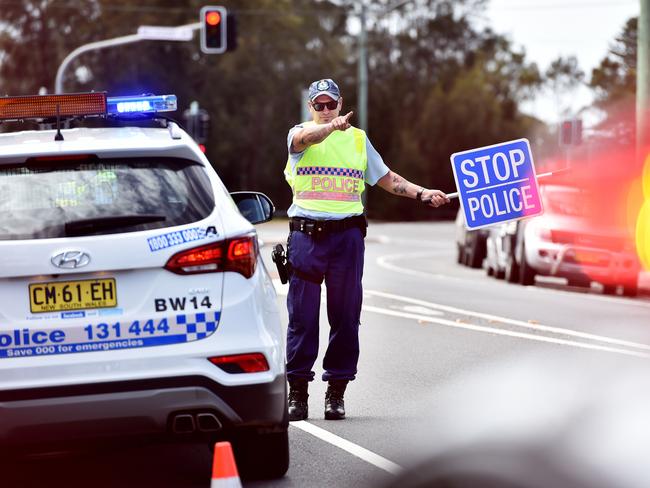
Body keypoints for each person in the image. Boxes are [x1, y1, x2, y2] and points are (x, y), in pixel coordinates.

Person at [283, 78, 450, 421]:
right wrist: (329, 128)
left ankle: (336, 392)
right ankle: (298, 392)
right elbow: (307, 139)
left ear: (341, 103)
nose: (326, 110)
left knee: (346, 317)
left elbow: (387, 178)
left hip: (347, 239)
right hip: (306, 238)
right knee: (302, 318)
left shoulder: (358, 140)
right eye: (319, 105)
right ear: (310, 106)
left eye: (332, 104)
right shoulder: (298, 134)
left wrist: (422, 193)